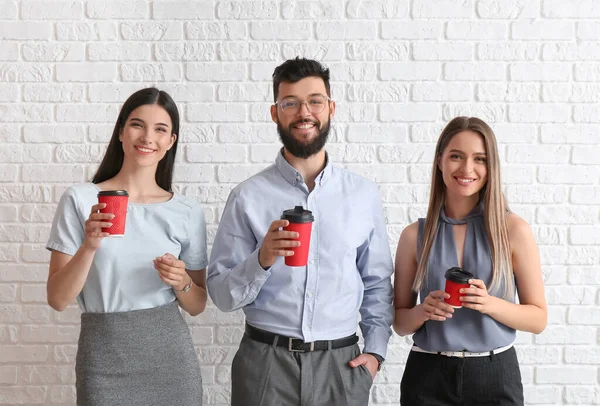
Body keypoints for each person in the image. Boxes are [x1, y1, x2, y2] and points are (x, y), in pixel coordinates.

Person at [207, 57, 394, 406]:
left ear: (330, 107)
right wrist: (260, 260)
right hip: (264, 363)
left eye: (314, 101)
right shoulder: (247, 196)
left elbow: (377, 282)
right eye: (290, 103)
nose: (303, 112)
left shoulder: (362, 194)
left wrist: (376, 354)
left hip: (342, 366)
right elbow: (220, 294)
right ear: (275, 113)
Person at [46, 88, 207, 406]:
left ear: (171, 141)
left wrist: (181, 281)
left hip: (171, 364)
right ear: (121, 131)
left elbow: (197, 304)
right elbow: (57, 299)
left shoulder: (186, 211)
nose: (148, 137)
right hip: (102, 361)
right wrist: (90, 246)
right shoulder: (81, 200)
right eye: (137, 124)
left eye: (160, 129)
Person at [393, 116, 547, 406]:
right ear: (440, 161)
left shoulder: (513, 230)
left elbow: (538, 319)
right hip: (427, 375)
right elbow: (400, 323)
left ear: (491, 168)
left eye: (479, 159)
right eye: (456, 156)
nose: (467, 168)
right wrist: (423, 311)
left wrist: (490, 304)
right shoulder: (414, 235)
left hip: (495, 374)